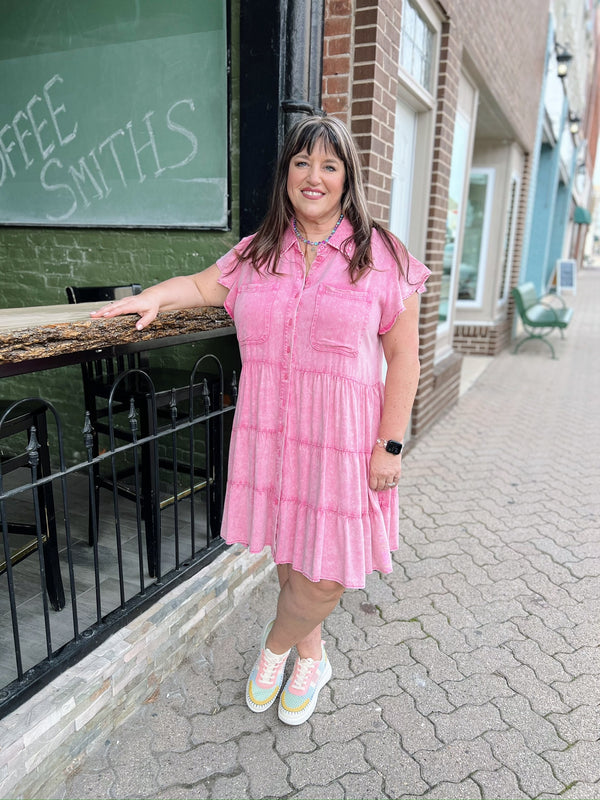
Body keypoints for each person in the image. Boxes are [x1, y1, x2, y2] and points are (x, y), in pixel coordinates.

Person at [92, 114, 430, 726]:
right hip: (272, 433)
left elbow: (404, 357)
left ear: (348, 177)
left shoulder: (382, 255)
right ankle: (312, 656)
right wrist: (147, 299)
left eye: (330, 165)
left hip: (344, 442)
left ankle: (274, 650)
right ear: (286, 175)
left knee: (326, 576)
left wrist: (392, 445)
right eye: (302, 163)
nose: (314, 176)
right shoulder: (258, 252)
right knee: (291, 550)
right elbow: (198, 286)